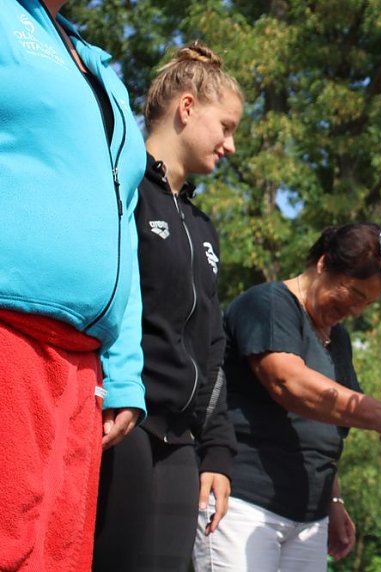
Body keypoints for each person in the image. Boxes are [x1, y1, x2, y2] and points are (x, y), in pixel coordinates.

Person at [192, 224, 381, 572]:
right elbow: (288, 383)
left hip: (309, 517)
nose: (354, 309)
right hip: (244, 503)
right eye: (353, 293)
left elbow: (337, 422)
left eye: (365, 304)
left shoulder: (339, 340)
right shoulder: (269, 304)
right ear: (323, 264)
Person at [0, 1, 148, 569]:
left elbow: (122, 222)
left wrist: (127, 373)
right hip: (11, 333)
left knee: (60, 556)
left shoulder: (98, 68)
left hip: (83, 365)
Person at [91, 42, 243, 571]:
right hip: (119, 420)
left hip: (179, 440)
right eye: (225, 127)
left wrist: (218, 449)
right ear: (186, 108)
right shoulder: (120, 186)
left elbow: (213, 343)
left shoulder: (203, 228)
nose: (229, 145)